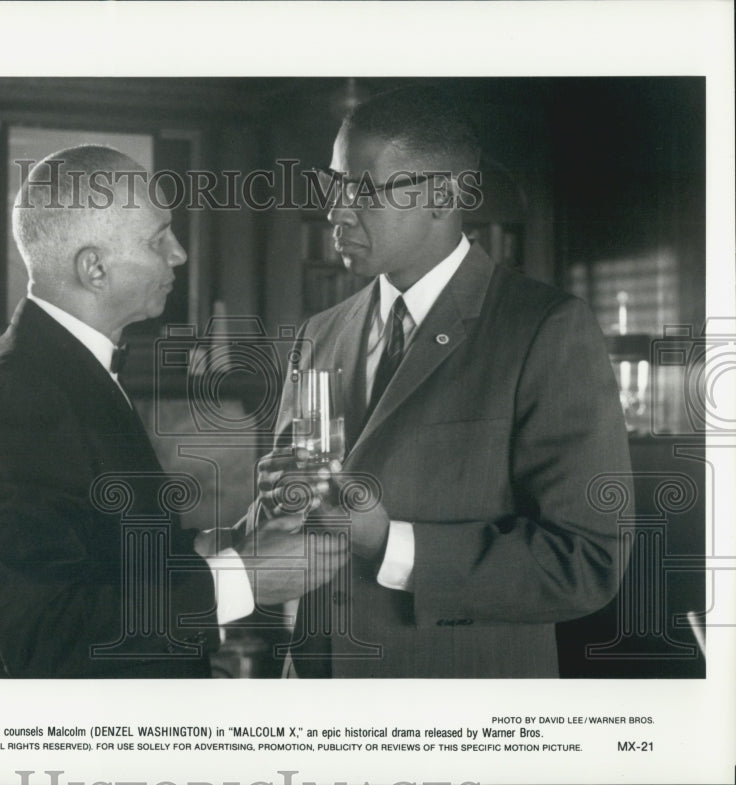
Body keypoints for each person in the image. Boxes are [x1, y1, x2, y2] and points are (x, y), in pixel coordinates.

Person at [254, 86, 633, 677]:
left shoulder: (545, 329)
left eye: (362, 188)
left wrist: (390, 542)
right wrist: (274, 504)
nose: (337, 210)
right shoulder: (318, 334)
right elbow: (286, 535)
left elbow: (587, 564)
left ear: (442, 195)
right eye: (333, 185)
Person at [0, 145, 344, 677]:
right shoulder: (15, 398)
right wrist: (245, 577)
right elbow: (45, 636)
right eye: (158, 239)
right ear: (95, 268)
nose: (178, 254)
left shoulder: (66, 372)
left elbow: (116, 556)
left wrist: (248, 534)